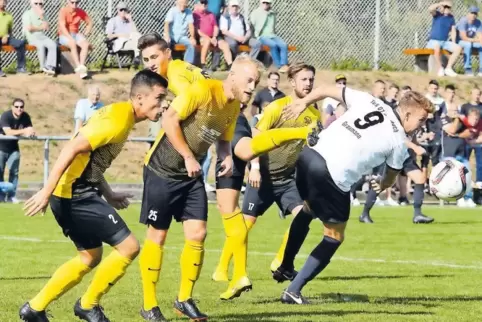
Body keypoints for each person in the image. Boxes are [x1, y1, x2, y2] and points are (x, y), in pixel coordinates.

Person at [138, 55, 317, 321]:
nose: (251, 87)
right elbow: (169, 121)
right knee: (159, 237)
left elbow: (223, 140)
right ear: (232, 76)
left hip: (190, 175)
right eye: (248, 81)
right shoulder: (201, 90)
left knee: (198, 233)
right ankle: (149, 305)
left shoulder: (233, 108)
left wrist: (226, 157)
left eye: (255, 83)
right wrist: (188, 157)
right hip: (162, 170)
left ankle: (184, 299)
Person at [19, 70, 170, 322]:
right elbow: (72, 147)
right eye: (159, 97)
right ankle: (88, 305)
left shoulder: (121, 115)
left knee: (90, 256)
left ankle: (34, 308)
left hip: (72, 192)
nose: (164, 104)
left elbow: (90, 161)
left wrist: (108, 194)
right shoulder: (118, 120)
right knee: (129, 247)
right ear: (140, 98)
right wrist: (45, 191)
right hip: (74, 193)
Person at [275, 86, 432, 304]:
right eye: (421, 120)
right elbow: (391, 176)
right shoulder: (398, 140)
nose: (421, 126)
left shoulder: (370, 100)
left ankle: (285, 266)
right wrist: (383, 185)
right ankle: (293, 291)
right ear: (407, 114)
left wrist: (304, 101)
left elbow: (328, 87)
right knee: (334, 236)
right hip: (332, 175)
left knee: (308, 209)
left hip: (308, 157)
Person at [212, 63, 322, 299]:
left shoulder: (314, 115)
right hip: (262, 178)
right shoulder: (277, 108)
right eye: (304, 79)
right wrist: (254, 167)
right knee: (244, 225)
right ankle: (222, 268)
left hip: (287, 179)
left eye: (311, 79)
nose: (308, 84)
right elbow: (257, 136)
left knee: (303, 215)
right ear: (292, 82)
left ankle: (280, 262)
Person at [0, 98, 35, 203]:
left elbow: (30, 130)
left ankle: (11, 196)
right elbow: (8, 132)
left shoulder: (25, 117)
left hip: (13, 148)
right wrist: (24, 131)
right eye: (17, 107)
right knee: (0, 171)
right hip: (1, 148)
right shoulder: (6, 116)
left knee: (14, 172)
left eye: (21, 107)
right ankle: (1, 196)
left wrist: (30, 132)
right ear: (12, 107)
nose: (19, 109)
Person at [58, 0, 93, 79]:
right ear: (68, 1)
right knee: (72, 43)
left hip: (76, 34)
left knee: (85, 44)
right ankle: (79, 68)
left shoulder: (80, 11)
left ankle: (81, 66)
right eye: (72, 2)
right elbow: (62, 27)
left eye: (77, 2)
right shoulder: (63, 11)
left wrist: (85, 33)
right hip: (64, 35)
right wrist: (70, 38)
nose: (74, 4)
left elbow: (89, 22)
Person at [22, 0, 57, 75]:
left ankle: (49, 67)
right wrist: (41, 27)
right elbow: (29, 28)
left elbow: (47, 28)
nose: (38, 5)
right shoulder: (27, 14)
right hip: (31, 37)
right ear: (31, 4)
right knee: (40, 45)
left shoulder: (43, 14)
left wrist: (41, 17)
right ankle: (43, 67)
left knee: (53, 44)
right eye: (36, 3)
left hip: (42, 36)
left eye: (40, 3)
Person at [427, 0, 460, 77]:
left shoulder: (451, 18)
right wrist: (440, 4)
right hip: (434, 41)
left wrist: (454, 42)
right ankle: (440, 68)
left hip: (444, 42)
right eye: (445, 7)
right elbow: (430, 9)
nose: (447, 9)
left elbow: (453, 30)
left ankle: (448, 68)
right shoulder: (437, 15)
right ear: (442, 7)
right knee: (437, 47)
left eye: (448, 7)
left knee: (458, 48)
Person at [456, 6, 482, 76]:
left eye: (475, 13)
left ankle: (481, 69)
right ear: (468, 13)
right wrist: (477, 40)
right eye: (472, 13)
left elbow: (480, 37)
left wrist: (480, 41)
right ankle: (467, 69)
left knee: (481, 46)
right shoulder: (463, 21)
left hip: (470, 41)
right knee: (468, 44)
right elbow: (463, 37)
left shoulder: (478, 22)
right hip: (459, 41)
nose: (473, 15)